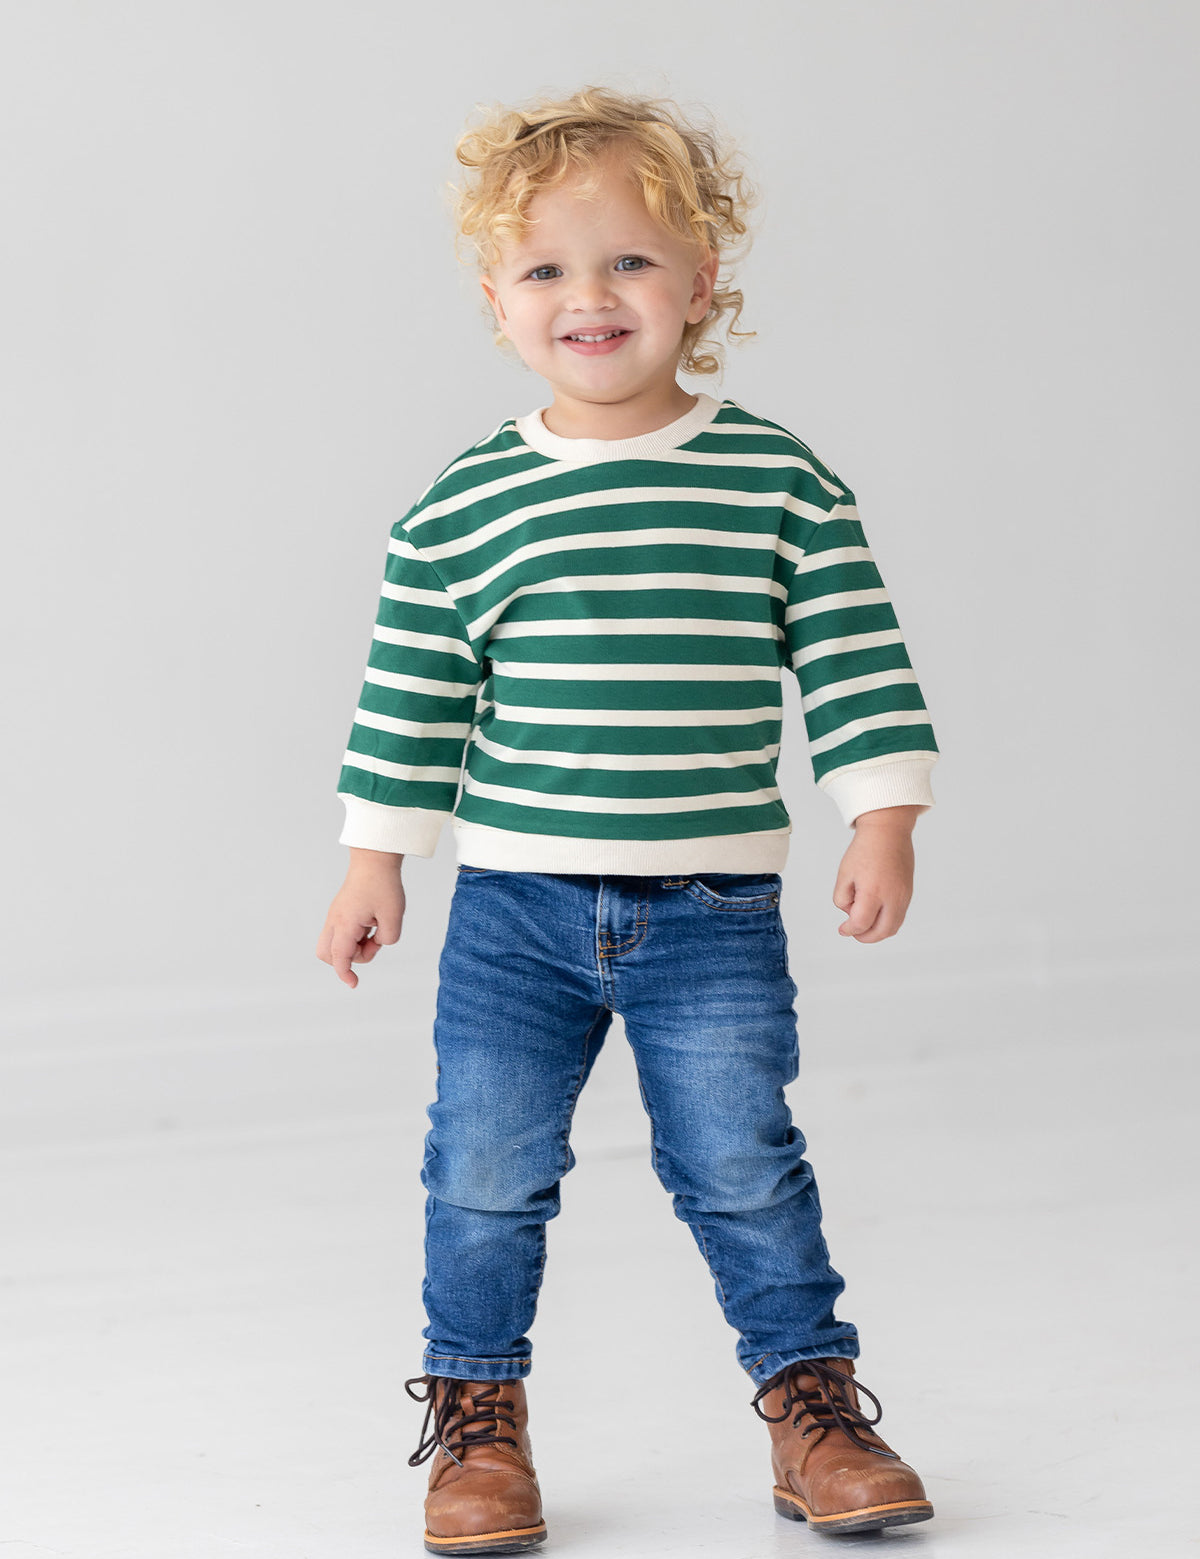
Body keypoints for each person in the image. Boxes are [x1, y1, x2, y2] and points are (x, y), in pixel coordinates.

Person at [317, 83, 940, 1554]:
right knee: (484, 1169)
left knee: (741, 1164)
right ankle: (478, 1422)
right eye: (546, 269)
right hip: (514, 911)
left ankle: (813, 1409)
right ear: (498, 303)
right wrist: (373, 858)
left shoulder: (776, 480)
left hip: (712, 910)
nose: (589, 297)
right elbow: (410, 694)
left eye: (630, 262)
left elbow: (853, 658)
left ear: (702, 280)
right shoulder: (464, 506)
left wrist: (883, 816)